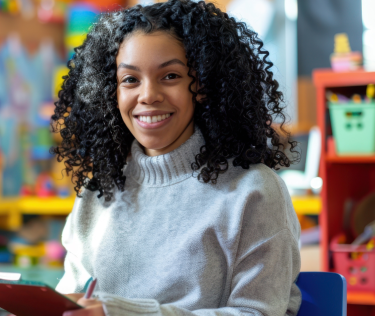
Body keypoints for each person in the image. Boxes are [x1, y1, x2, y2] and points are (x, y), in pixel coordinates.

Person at [51, 0, 301, 315]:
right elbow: (71, 298)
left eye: (170, 76)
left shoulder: (254, 192)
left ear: (205, 86)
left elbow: (258, 312)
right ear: (109, 91)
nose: (148, 95)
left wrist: (118, 312)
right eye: (130, 79)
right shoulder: (98, 190)